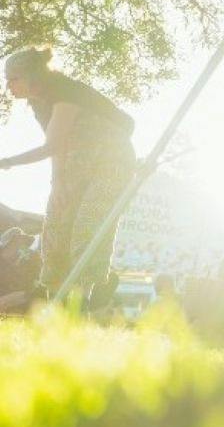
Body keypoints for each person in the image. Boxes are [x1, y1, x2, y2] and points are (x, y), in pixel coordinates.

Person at [0, 47, 136, 300]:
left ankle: (82, 299)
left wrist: (6, 161)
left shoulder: (63, 90)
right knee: (56, 223)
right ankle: (54, 298)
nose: (9, 86)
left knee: (88, 225)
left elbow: (50, 145)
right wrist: (57, 182)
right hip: (76, 161)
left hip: (112, 160)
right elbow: (58, 147)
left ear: (32, 76)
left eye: (13, 79)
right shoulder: (38, 104)